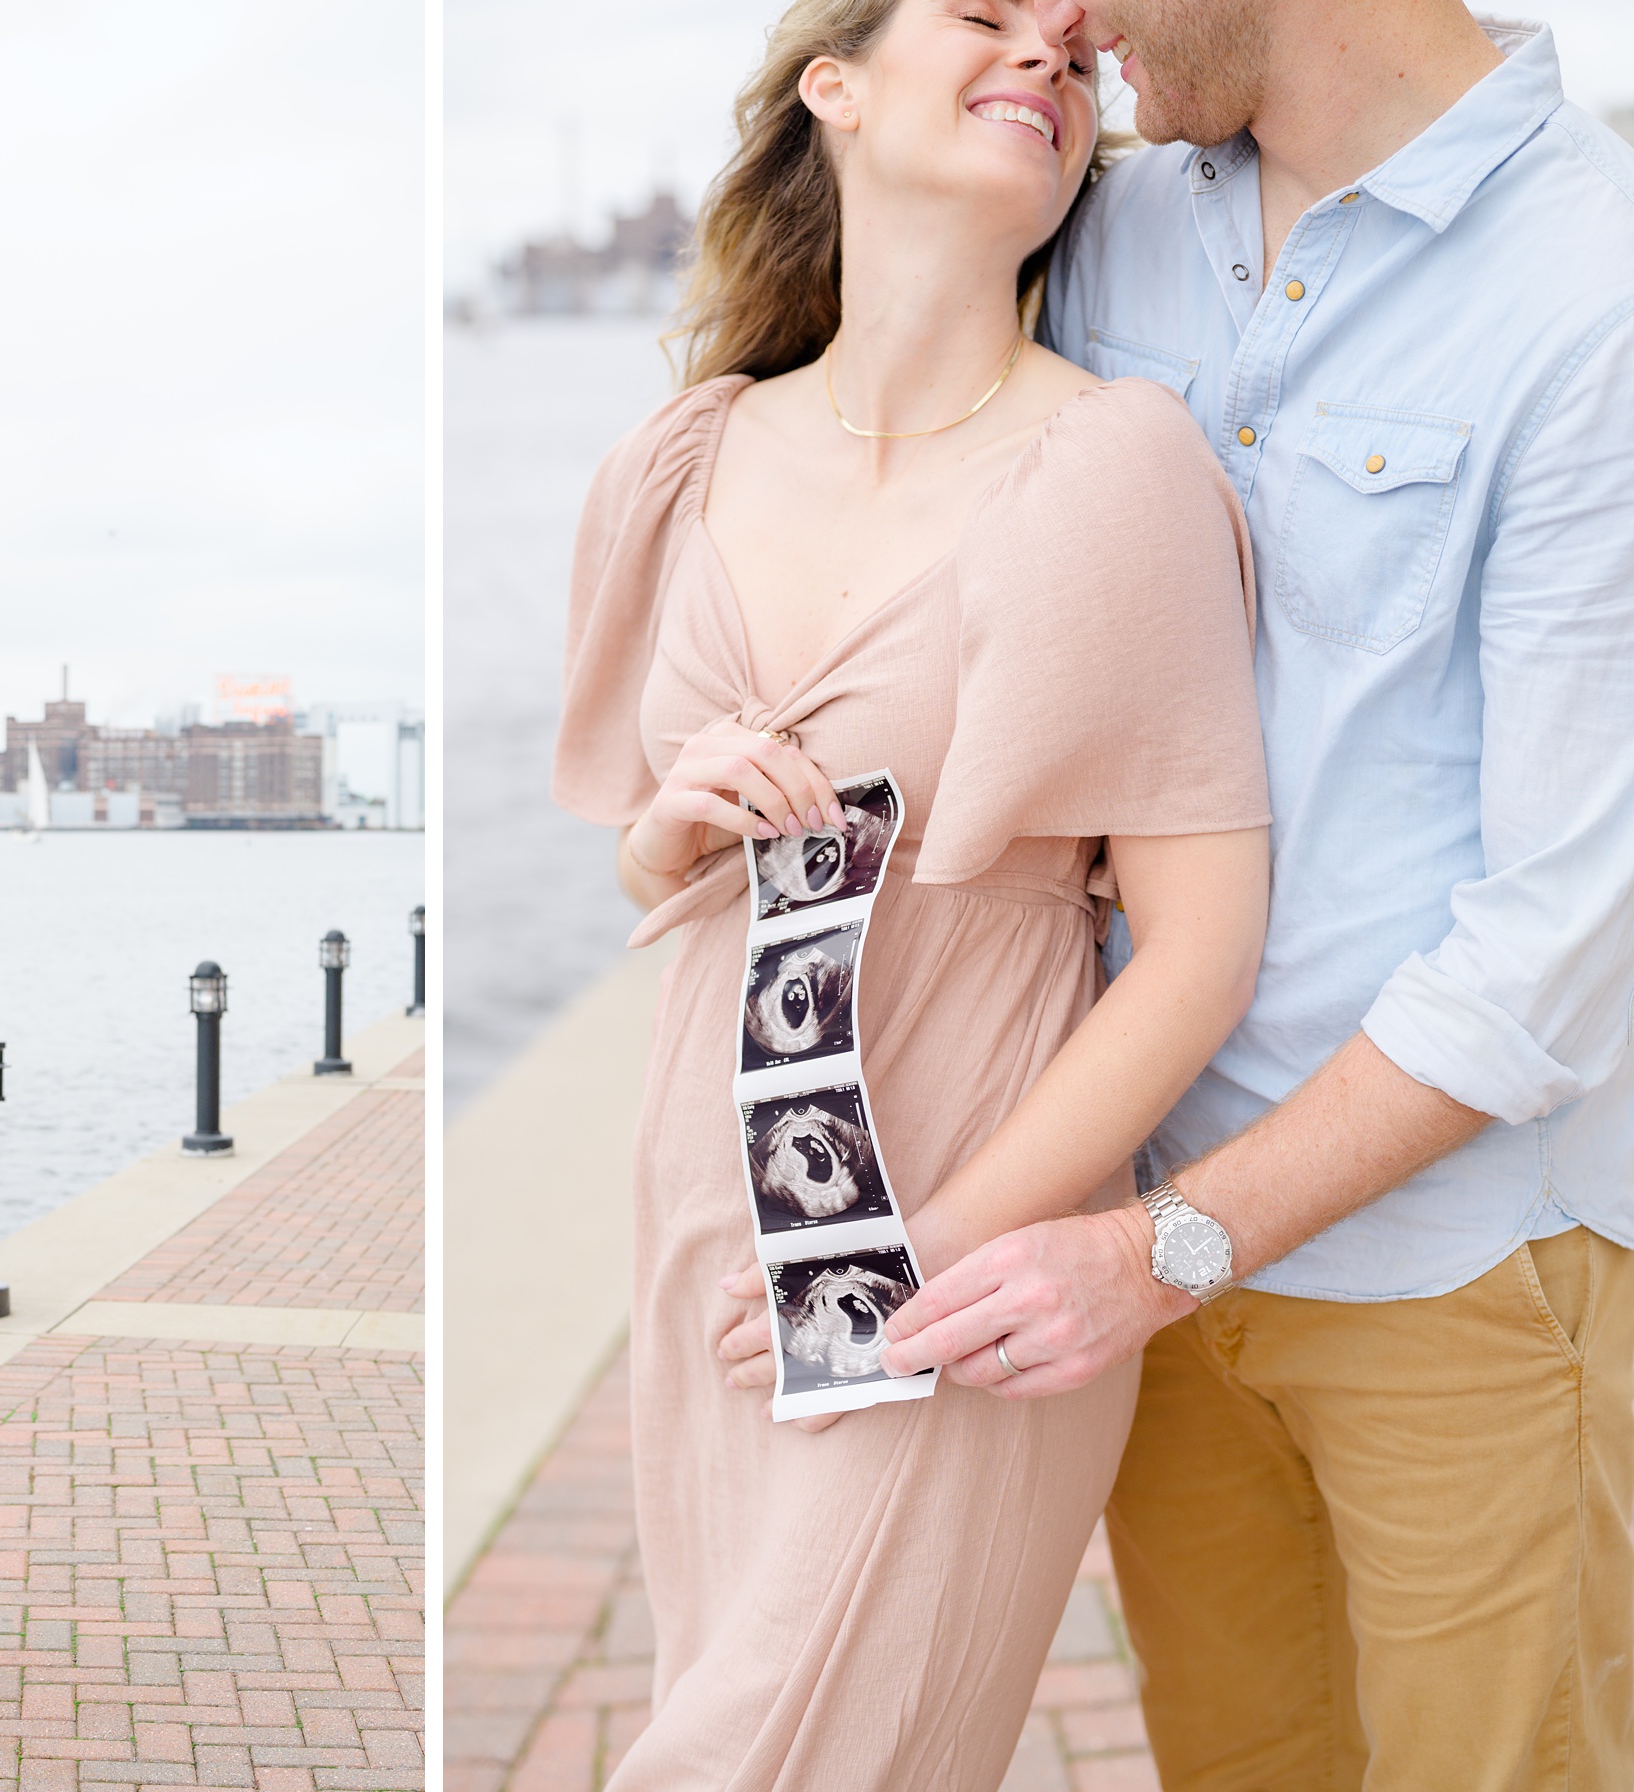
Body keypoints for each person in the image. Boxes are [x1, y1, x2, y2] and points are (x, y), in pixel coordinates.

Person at [856, 4, 1634, 1785]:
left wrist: (1159, 1252)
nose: (1069, 21)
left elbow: (1559, 950)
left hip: (1465, 1283)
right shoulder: (1110, 218)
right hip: (1140, 1262)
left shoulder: (1595, 293)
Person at [552, 0, 1276, 1782]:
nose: (1048, 49)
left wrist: (920, 1256)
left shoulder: (1113, 464)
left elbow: (1198, 952)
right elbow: (644, 855)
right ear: (837, 83)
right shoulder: (687, 458)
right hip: (712, 1208)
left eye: (1074, 45)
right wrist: (674, 826)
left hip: (960, 1214)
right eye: (984, 15)